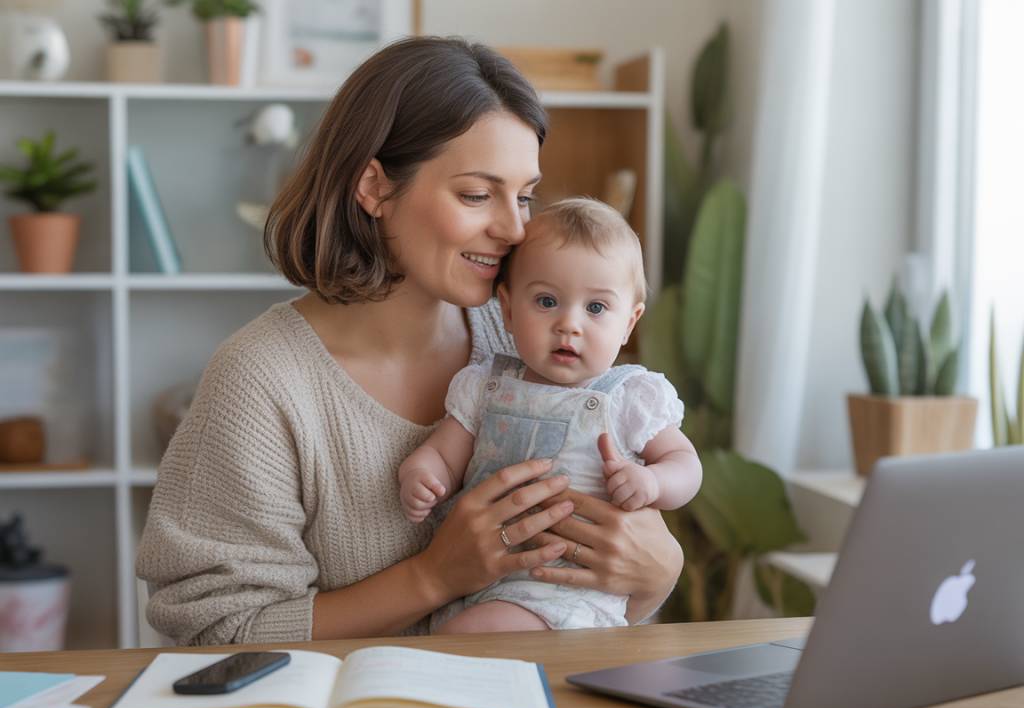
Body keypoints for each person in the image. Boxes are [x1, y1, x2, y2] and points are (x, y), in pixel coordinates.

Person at [135, 37, 684, 646]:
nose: (514, 228)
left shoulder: (531, 333)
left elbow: (589, 602)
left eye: (524, 196)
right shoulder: (262, 380)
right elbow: (218, 631)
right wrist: (432, 578)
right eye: (477, 194)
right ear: (373, 186)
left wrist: (660, 573)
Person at [399, 198, 702, 633]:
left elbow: (686, 465)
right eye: (546, 301)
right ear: (506, 308)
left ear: (629, 323)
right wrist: (421, 473)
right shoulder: (485, 386)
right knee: (460, 634)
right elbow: (444, 454)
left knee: (466, 637)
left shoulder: (630, 396)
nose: (569, 325)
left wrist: (653, 481)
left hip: (569, 593)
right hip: (483, 580)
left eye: (596, 308)